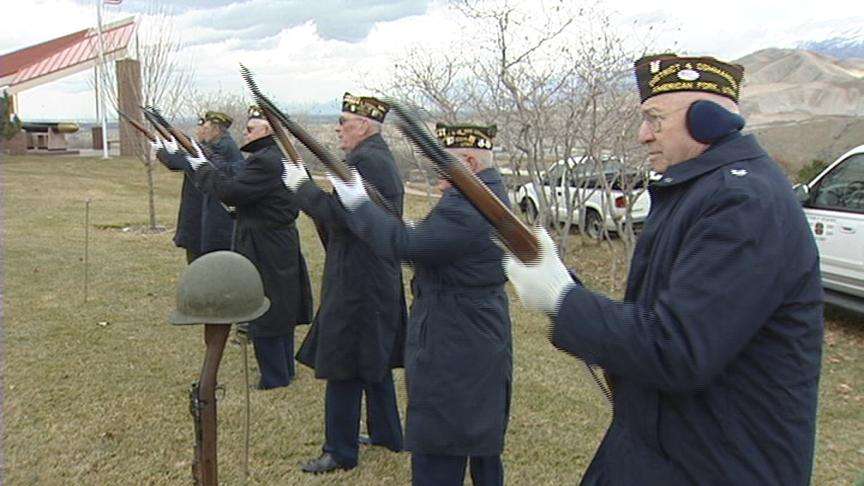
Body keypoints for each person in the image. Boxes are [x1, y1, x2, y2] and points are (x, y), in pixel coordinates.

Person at [505, 54, 824, 485]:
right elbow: (661, 319)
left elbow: (677, 349)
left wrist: (564, 301)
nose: (643, 135)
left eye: (655, 119)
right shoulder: (702, 191)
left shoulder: (744, 203)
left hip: (719, 465)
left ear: (707, 119)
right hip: (671, 447)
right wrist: (565, 285)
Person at [285, 123, 513, 486]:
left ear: (469, 162)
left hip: (455, 337)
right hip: (471, 331)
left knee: (441, 446)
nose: (439, 182)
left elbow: (406, 244)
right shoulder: (483, 196)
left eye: (444, 170)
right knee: (479, 442)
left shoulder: (468, 207)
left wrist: (357, 201)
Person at [283, 94, 406, 474]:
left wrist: (301, 189)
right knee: (373, 357)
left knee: (343, 362)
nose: (339, 128)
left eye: (345, 121)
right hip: (369, 274)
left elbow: (340, 217)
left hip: (359, 279)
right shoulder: (374, 158)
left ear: (364, 126)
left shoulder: (367, 161)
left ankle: (339, 451)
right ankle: (387, 434)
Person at [182, 105, 314, 390]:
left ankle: (274, 377)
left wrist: (202, 169)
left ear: (267, 131)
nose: (245, 132)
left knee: (265, 305)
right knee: (279, 305)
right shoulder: (270, 157)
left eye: (251, 128)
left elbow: (231, 191)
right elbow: (253, 198)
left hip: (264, 242)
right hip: (275, 238)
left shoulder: (263, 161)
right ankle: (284, 370)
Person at [151, 111, 242, 263]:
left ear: (216, 129)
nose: (201, 132)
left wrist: (164, 151)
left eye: (206, 128)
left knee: (212, 261)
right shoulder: (215, 145)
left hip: (216, 212)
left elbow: (188, 163)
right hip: (202, 207)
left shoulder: (223, 147)